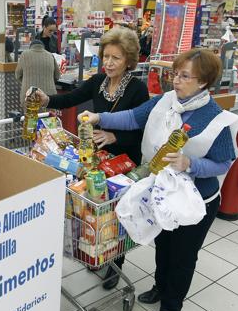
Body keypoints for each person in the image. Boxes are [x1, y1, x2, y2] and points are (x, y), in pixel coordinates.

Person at [78, 48, 238, 311]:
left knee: (183, 256)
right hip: (161, 193)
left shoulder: (216, 119)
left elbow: (224, 163)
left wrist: (191, 163)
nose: (175, 80)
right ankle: (159, 287)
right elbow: (132, 118)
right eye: (175, 74)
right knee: (163, 246)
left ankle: (171, 307)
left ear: (203, 82)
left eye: (185, 76)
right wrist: (99, 118)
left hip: (196, 201)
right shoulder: (166, 101)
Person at [29, 27, 149, 289]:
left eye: (115, 58)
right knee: (94, 207)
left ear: (128, 60)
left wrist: (115, 137)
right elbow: (72, 98)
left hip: (125, 160)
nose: (108, 62)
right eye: (105, 56)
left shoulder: (138, 89)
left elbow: (142, 129)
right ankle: (96, 251)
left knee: (117, 214)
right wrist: (47, 98)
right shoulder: (98, 82)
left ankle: (116, 264)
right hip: (96, 158)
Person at [15, 40, 60, 107]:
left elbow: (18, 75)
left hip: (29, 96)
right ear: (43, 47)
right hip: (49, 97)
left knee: (30, 116)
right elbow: (57, 76)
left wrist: (26, 82)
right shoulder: (50, 55)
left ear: (31, 47)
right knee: (48, 116)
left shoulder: (24, 54)